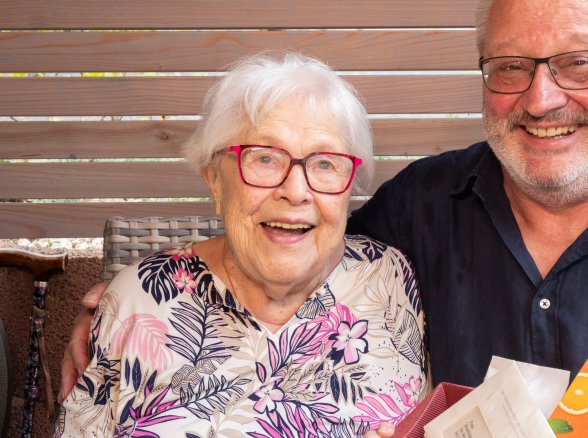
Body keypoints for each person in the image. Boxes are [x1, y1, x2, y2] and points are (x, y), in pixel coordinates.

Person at [62, 0, 588, 436]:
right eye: (511, 67)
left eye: (580, 63)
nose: (541, 98)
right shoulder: (418, 212)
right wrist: (134, 296)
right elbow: (288, 229)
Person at [56, 53, 427, 437]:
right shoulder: (138, 301)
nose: (296, 191)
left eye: (325, 163)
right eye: (265, 158)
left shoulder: (394, 281)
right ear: (215, 181)